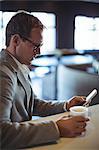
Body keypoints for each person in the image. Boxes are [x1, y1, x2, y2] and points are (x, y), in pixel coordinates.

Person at [0, 11, 89, 149]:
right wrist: (57, 128)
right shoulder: (3, 73)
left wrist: (66, 105)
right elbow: (2, 133)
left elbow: (33, 104)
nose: (39, 52)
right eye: (35, 46)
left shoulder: (19, 64)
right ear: (16, 40)